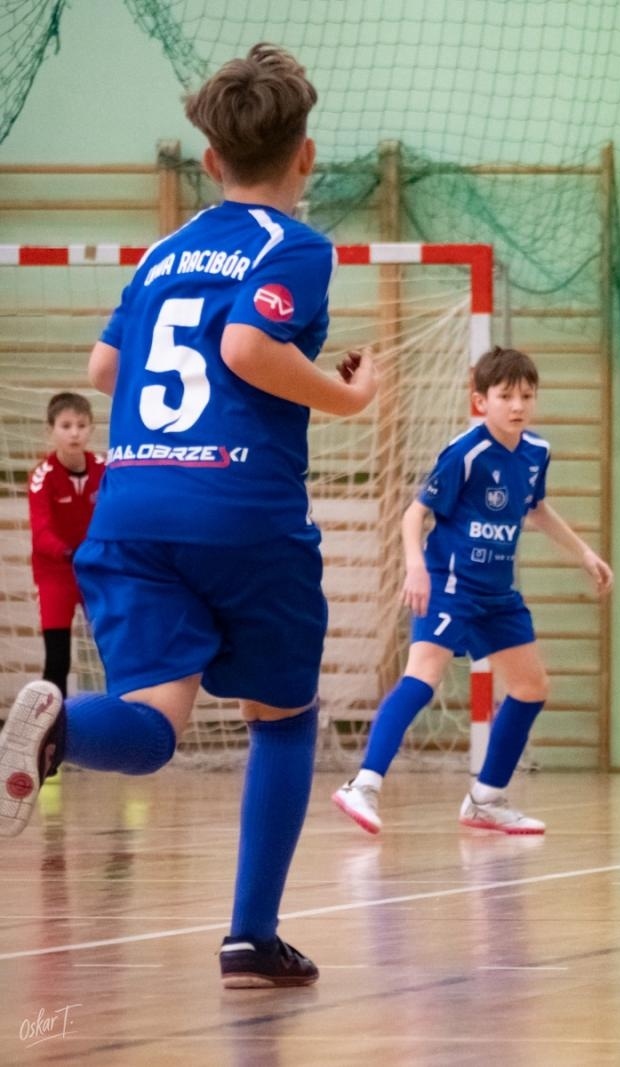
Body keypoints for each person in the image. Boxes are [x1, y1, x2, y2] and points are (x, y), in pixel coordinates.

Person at [0, 43, 377, 987]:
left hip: (131, 508)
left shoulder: (164, 251)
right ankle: (251, 933)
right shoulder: (294, 246)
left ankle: (58, 731)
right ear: (306, 155)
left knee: (151, 719)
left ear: (209, 161)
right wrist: (346, 398)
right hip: (240, 509)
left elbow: (101, 372)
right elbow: (249, 344)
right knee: (282, 717)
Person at [332, 346, 612, 836]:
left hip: (497, 594)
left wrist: (584, 553)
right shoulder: (466, 452)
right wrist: (416, 567)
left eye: (526, 395)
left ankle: (486, 799)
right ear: (481, 401)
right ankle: (364, 784)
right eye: (505, 396)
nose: (518, 405)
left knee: (531, 688)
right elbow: (414, 514)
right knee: (423, 676)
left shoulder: (535, 452)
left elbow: (536, 509)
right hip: (450, 584)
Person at [28, 392, 105, 696]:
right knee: (58, 659)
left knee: (112, 651)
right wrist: (69, 552)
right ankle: (52, 729)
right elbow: (41, 531)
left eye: (81, 425)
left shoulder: (104, 469)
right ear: (51, 430)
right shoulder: (42, 476)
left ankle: (118, 720)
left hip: (94, 570)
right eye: (66, 425)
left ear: (91, 429)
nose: (74, 433)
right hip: (56, 573)